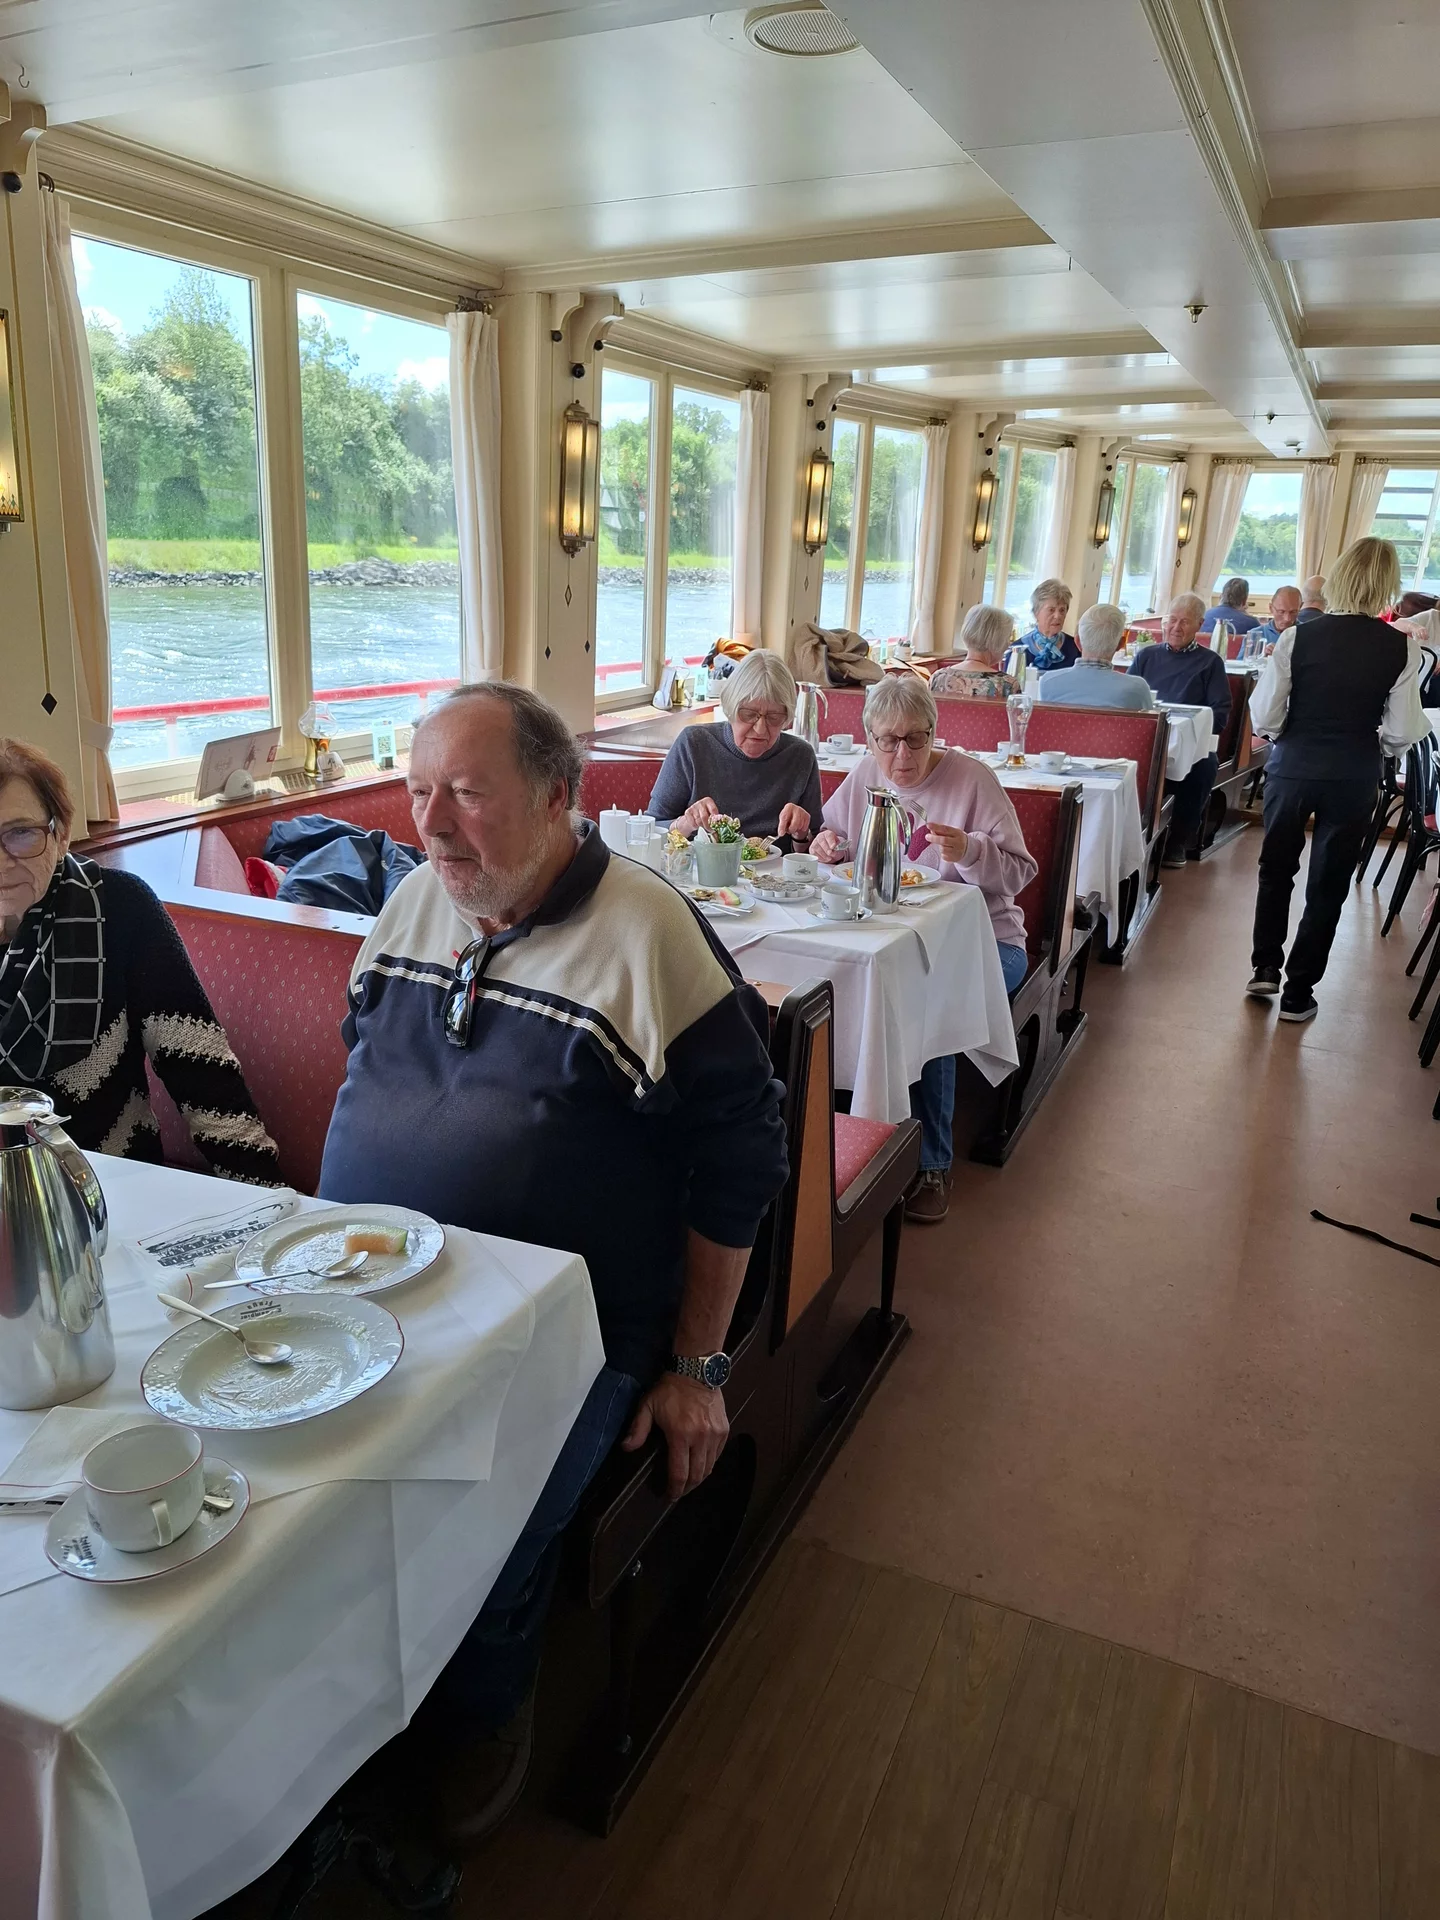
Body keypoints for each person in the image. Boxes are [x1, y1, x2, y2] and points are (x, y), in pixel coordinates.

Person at [317, 683, 788, 1840]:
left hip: (569, 1333)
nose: (432, 825)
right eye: (418, 792)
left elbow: (744, 1150)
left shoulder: (647, 931)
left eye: (467, 795)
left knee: (478, 1533)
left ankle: (481, 1711)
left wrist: (699, 1366)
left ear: (557, 797)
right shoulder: (416, 903)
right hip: (363, 1295)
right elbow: (365, 1056)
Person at [811, 676, 1035, 1225]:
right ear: (870, 739)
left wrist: (972, 850)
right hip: (888, 938)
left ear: (934, 733)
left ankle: (931, 1165)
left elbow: (1020, 873)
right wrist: (824, 844)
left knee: (929, 999)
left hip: (988, 944)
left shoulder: (972, 780)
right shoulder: (866, 774)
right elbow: (829, 838)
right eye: (888, 740)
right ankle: (843, 1136)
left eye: (916, 738)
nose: (902, 755)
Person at [0, 738, 279, 1179]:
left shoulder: (119, 908)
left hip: (118, 1191)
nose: (2, 862)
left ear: (61, 832)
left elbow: (205, 1080)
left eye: (20, 833)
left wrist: (271, 1200)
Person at [1247, 538, 1429, 1023]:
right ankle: (1298, 992)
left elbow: (1266, 715)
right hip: (1353, 773)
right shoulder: (1401, 647)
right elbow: (1402, 730)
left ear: (1341, 576)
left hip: (1293, 765)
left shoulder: (1296, 638)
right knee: (1328, 883)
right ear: (1387, 584)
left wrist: (1289, 737)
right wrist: (1376, 748)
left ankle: (1265, 965)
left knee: (1275, 868)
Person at [647, 648, 822, 842]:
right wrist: (685, 823)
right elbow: (651, 828)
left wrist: (801, 834)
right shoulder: (694, 744)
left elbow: (813, 844)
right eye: (749, 714)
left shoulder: (801, 756)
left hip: (777, 863)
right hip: (699, 861)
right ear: (730, 708)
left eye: (774, 717)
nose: (760, 729)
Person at [1128, 592, 1232, 867]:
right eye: (1172, 620)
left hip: (1193, 743)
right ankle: (1132, 841)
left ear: (1199, 624)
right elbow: (1128, 700)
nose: (1176, 627)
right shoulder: (1146, 656)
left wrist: (1195, 728)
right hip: (1147, 739)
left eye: (1184, 622)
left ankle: (1178, 841)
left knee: (1204, 766)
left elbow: (1220, 712)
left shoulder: (1210, 663)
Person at [1037, 604, 1154, 710]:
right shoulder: (1137, 688)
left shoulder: (1048, 682)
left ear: (1077, 642)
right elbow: (1150, 725)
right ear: (1121, 644)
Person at [929, 605, 1020, 700]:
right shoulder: (1007, 684)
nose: (1008, 644)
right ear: (998, 640)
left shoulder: (937, 677)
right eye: (1007, 638)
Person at [1018, 579, 1080, 674]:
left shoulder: (1076, 648)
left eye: (1062, 610)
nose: (1057, 616)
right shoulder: (1018, 650)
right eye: (1051, 610)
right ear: (1036, 613)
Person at [1250, 584, 1301, 653]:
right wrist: (1262, 656)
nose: (1287, 619)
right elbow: (1242, 660)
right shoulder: (1254, 635)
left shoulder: (1309, 635)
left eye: (1293, 612)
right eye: (1281, 612)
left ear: (1300, 607)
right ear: (1271, 608)